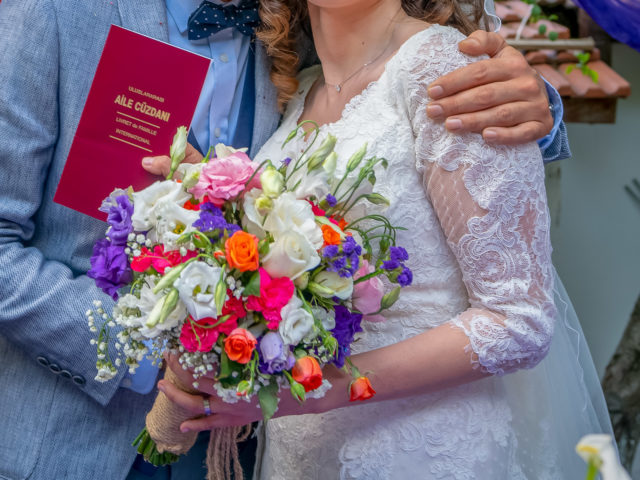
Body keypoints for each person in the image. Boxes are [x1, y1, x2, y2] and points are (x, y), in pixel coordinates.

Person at [0, 1, 568, 480]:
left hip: (280, 441)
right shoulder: (56, 12)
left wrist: (535, 99)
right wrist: (157, 351)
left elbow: (424, 84)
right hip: (75, 437)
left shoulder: (293, 31)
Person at [156, 0, 615, 478]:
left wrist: (312, 390)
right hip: (301, 456)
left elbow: (519, 321)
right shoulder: (302, 91)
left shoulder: (448, 71)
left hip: (419, 450)